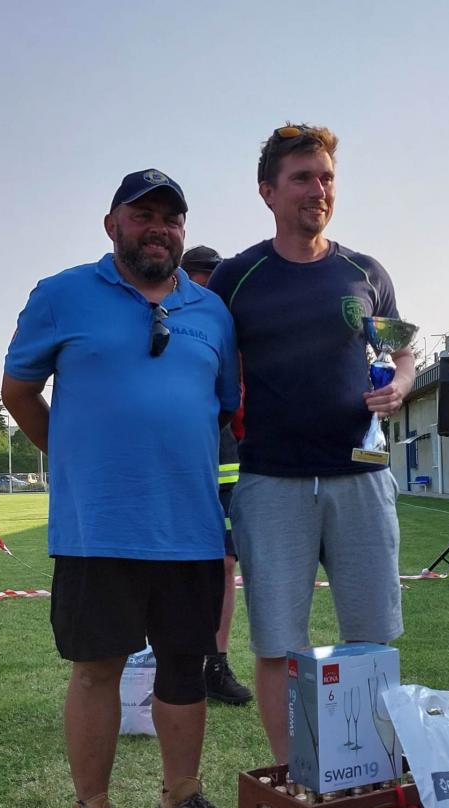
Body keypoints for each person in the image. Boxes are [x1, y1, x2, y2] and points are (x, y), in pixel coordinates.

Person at [2, 168, 242, 808]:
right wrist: (72, 457)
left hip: (191, 530)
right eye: (143, 215)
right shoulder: (61, 295)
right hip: (97, 529)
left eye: (171, 218)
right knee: (96, 669)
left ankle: (180, 801)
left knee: (185, 668)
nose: (158, 229)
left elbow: (224, 406)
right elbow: (19, 391)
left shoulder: (213, 312)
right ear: (112, 225)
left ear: (184, 230)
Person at [208, 123, 415, 761]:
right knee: (277, 644)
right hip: (271, 482)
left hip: (362, 478)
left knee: (372, 638)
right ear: (268, 191)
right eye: (301, 178)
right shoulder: (235, 278)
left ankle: (370, 772)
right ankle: (292, 773)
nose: (318, 189)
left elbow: (402, 353)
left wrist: (400, 385)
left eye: (326, 177)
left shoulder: (365, 272)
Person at [179, 245, 253, 706]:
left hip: (226, 453)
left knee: (225, 562)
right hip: (172, 455)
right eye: (199, 278)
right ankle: (161, 662)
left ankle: (215, 664)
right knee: (167, 563)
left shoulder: (229, 324)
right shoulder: (164, 315)